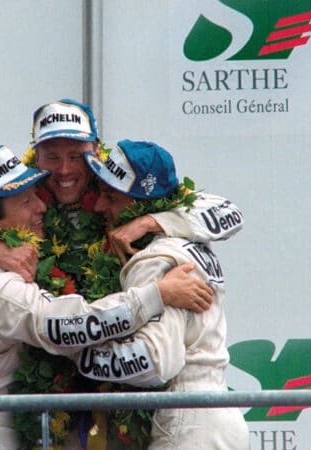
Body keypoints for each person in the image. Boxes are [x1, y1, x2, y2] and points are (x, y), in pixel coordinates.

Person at [0, 145, 215, 450]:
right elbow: (68, 326)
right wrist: (157, 294)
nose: (41, 207)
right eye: (26, 201)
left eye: (36, 195)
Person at [0, 98, 244, 281]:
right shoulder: (15, 197)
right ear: (34, 156)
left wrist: (149, 222)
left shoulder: (123, 184)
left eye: (76, 156)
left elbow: (230, 214)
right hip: (40, 355)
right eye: (52, 157)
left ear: (97, 152)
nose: (65, 170)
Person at [76, 140, 249, 449]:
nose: (99, 206)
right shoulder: (188, 239)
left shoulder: (154, 259)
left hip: (187, 422)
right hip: (221, 415)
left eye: (111, 197)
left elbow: (157, 362)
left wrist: (75, 351)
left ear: (140, 204)